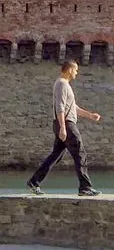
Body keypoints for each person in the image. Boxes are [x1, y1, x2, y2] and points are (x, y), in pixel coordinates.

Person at [27, 61, 102, 196]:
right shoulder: (62, 84)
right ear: (69, 70)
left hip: (64, 123)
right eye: (75, 70)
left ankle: (34, 181)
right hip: (67, 124)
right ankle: (85, 187)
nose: (76, 73)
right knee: (80, 153)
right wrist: (63, 127)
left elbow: (72, 107)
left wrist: (90, 115)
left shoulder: (64, 85)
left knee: (56, 155)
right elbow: (60, 107)